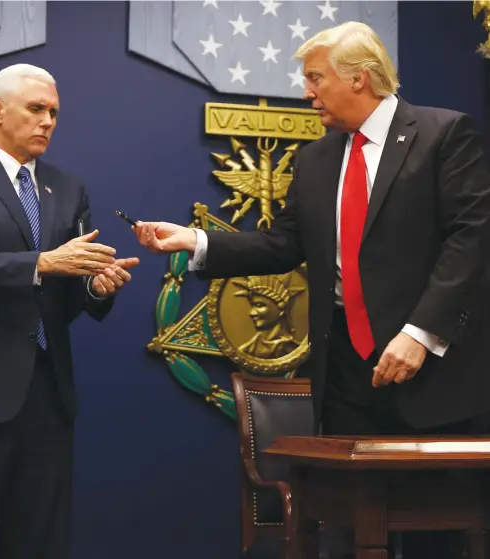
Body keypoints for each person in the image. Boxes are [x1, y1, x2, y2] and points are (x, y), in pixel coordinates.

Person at [134, 22, 490, 558]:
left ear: (360, 79)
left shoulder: (444, 135)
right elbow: (284, 244)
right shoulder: (317, 157)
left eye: (316, 78)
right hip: (347, 372)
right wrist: (196, 241)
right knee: (347, 530)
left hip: (433, 372)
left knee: (445, 533)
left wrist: (421, 332)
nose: (307, 92)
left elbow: (472, 238)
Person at [0, 64, 138, 559]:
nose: (48, 121)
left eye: (53, 112)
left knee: (40, 542)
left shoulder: (67, 188)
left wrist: (96, 286)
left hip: (48, 398)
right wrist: (44, 262)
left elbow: (66, 292)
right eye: (36, 110)